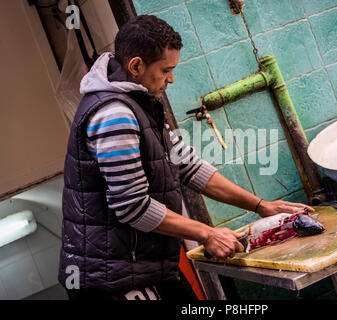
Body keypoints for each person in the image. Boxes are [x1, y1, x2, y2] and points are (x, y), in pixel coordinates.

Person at [58, 14, 314, 300]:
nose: (172, 78)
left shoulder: (141, 103)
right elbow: (132, 206)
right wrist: (207, 234)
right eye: (166, 70)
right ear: (136, 66)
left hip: (140, 266)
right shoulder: (114, 115)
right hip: (110, 280)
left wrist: (260, 205)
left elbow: (189, 168)